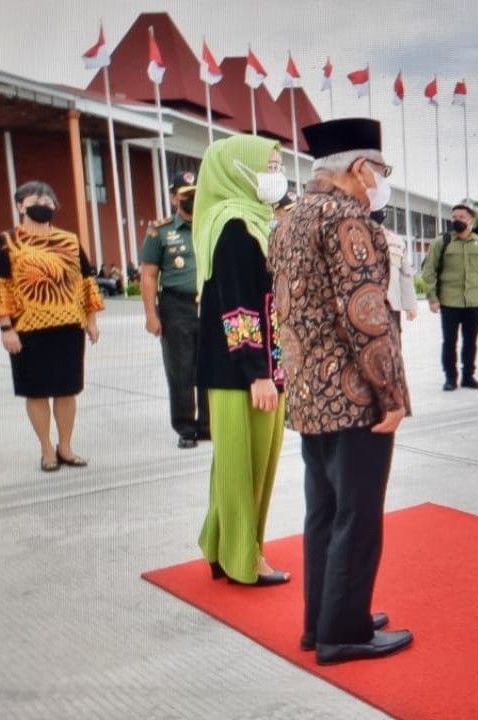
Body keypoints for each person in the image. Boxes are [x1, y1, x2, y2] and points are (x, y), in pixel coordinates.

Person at [273, 117, 412, 666]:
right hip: (355, 394)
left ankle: (322, 619)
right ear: (359, 167)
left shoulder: (288, 221)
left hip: (309, 392)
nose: (381, 180)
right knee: (358, 515)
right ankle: (345, 631)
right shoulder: (350, 220)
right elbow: (367, 317)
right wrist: (393, 394)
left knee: (324, 513)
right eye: (380, 169)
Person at [193, 135, 289, 588]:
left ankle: (220, 547)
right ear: (237, 169)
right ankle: (244, 559)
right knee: (245, 468)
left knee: (235, 465)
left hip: (257, 365)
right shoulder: (234, 226)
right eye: (267, 165)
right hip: (246, 371)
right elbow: (238, 306)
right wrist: (258, 374)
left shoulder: (253, 220)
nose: (275, 174)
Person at [0, 181, 103, 472]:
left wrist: (91, 320)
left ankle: (66, 446)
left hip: (68, 328)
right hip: (27, 329)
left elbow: (86, 281)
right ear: (20, 205)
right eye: (35, 199)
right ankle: (46, 449)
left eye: (49, 200)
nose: (43, 203)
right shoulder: (5, 241)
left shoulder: (70, 240)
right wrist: (5, 328)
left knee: (67, 389)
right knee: (36, 391)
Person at [140, 171, 208, 449]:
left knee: (208, 368)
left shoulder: (210, 224)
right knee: (180, 370)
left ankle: (207, 425)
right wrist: (150, 315)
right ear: (173, 197)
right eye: (185, 195)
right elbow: (148, 274)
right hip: (175, 305)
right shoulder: (161, 230)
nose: (192, 199)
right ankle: (185, 427)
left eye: (195, 193)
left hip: (209, 304)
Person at [420, 203, 478, 391]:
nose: (456, 220)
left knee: (471, 342)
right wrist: (432, 298)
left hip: (473, 302)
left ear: (471, 220)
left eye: (461, 217)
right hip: (449, 302)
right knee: (449, 342)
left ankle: (468, 376)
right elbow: (429, 271)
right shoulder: (442, 242)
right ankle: (450, 378)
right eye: (454, 217)